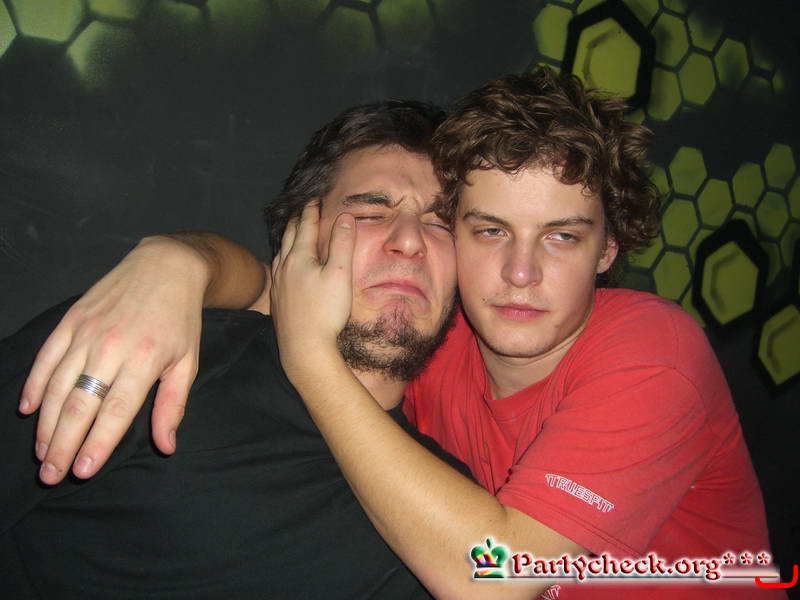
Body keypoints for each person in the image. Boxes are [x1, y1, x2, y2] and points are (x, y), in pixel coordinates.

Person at [18, 68, 783, 599]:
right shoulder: (434, 341)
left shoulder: (653, 353)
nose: (519, 274)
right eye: (487, 230)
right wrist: (176, 260)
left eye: (561, 237)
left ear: (608, 250)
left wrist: (311, 359)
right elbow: (271, 284)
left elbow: (495, 577)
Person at [1, 100, 473, 599]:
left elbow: (512, 573)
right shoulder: (152, 348)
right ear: (298, 237)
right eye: (370, 212)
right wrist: (181, 257)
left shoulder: (455, 501)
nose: (409, 240)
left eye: (441, 223)